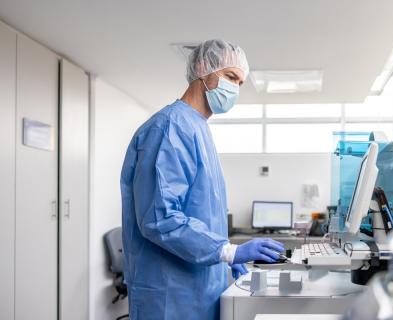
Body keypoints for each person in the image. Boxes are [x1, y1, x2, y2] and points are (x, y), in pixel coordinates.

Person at [120, 39, 285, 320]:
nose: (234, 88)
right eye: (230, 76)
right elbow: (159, 218)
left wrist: (222, 261)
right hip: (169, 294)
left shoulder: (197, 128)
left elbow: (199, 215)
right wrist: (229, 251)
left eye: (240, 83)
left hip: (198, 286)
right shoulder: (170, 127)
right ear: (201, 68)